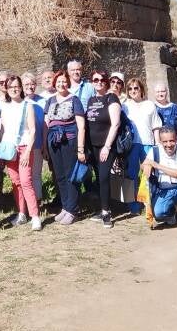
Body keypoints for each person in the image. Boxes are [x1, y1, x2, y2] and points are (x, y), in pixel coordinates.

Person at [44, 70, 87, 225]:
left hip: (70, 141)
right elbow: (46, 125)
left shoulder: (74, 99)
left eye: (64, 81)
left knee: (71, 175)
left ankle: (73, 210)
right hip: (53, 142)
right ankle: (65, 206)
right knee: (59, 175)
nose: (61, 84)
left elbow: (81, 126)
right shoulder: (49, 101)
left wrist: (80, 148)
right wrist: (44, 146)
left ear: (68, 83)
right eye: (58, 81)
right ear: (54, 83)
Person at [0, 75, 41, 231]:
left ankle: (35, 216)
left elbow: (33, 130)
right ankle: (21, 213)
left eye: (17, 86)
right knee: (16, 183)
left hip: (24, 148)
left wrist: (27, 151)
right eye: (11, 87)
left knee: (26, 181)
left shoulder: (27, 105)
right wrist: (2, 152)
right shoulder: (4, 107)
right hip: (9, 150)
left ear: (21, 88)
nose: (14, 89)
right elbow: (3, 131)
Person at [141, 126, 177, 236]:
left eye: (171, 141)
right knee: (158, 214)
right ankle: (172, 213)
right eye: (165, 141)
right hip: (164, 190)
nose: (169, 145)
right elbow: (144, 164)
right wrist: (146, 166)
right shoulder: (154, 151)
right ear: (161, 142)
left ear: (176, 139)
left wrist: (157, 166)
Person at [84, 70, 121, 229]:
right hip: (92, 146)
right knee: (99, 178)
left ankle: (106, 212)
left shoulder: (111, 98)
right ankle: (103, 207)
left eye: (101, 79)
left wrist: (107, 146)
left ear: (106, 82)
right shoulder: (91, 100)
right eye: (95, 80)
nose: (98, 82)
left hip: (107, 146)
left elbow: (115, 124)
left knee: (104, 177)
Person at [123, 76, 162, 213]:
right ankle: (132, 204)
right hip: (132, 144)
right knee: (131, 174)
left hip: (147, 143)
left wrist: (157, 145)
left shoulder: (149, 105)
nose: (133, 91)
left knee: (148, 174)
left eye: (136, 88)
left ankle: (149, 201)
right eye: (130, 88)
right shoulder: (125, 106)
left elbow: (156, 126)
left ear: (141, 89)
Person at [22, 72, 47, 202]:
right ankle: (25, 202)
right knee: (25, 175)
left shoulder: (42, 101)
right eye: (26, 84)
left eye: (32, 84)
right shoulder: (18, 101)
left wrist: (44, 143)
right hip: (22, 145)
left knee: (36, 174)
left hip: (37, 143)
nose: (30, 86)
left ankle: (37, 201)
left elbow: (45, 125)